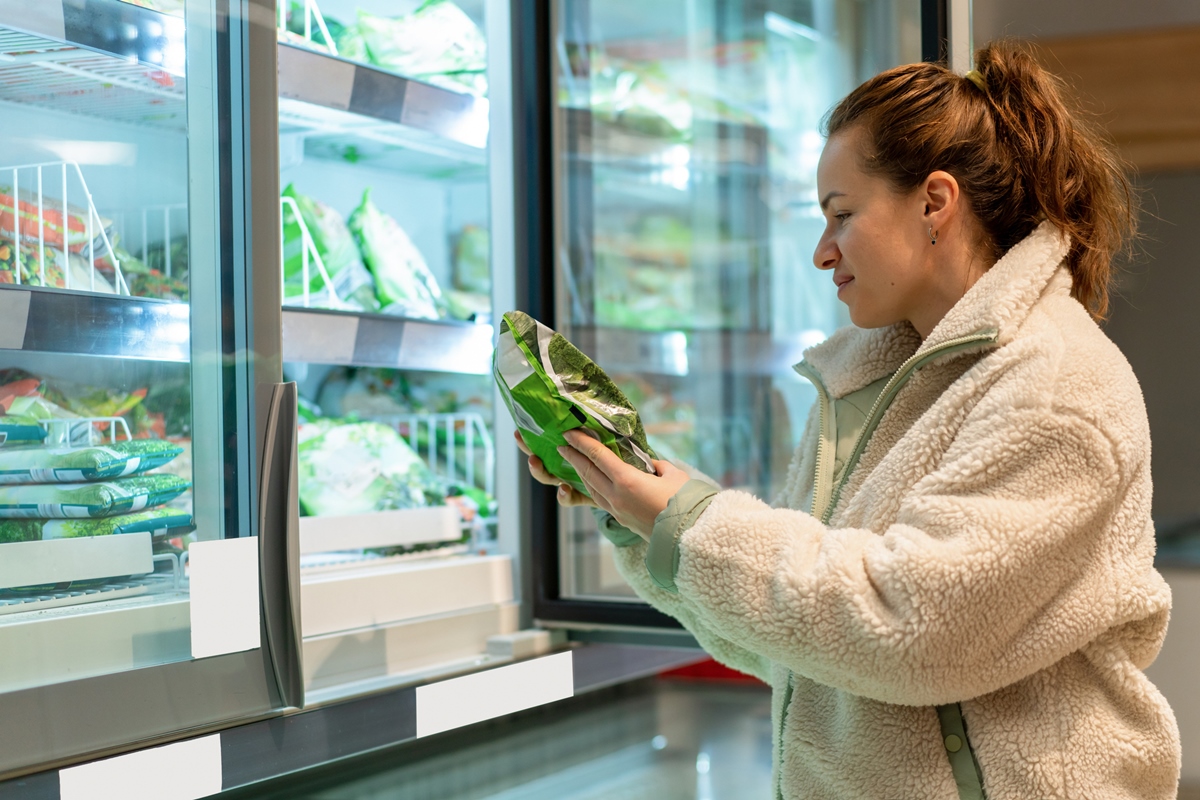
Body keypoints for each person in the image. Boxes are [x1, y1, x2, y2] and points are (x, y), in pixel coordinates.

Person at [517, 39, 1181, 800]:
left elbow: (912, 629)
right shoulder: (876, 383)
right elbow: (804, 639)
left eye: (842, 214)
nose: (821, 252)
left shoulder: (1055, 387)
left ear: (935, 203)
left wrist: (690, 519)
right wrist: (640, 514)